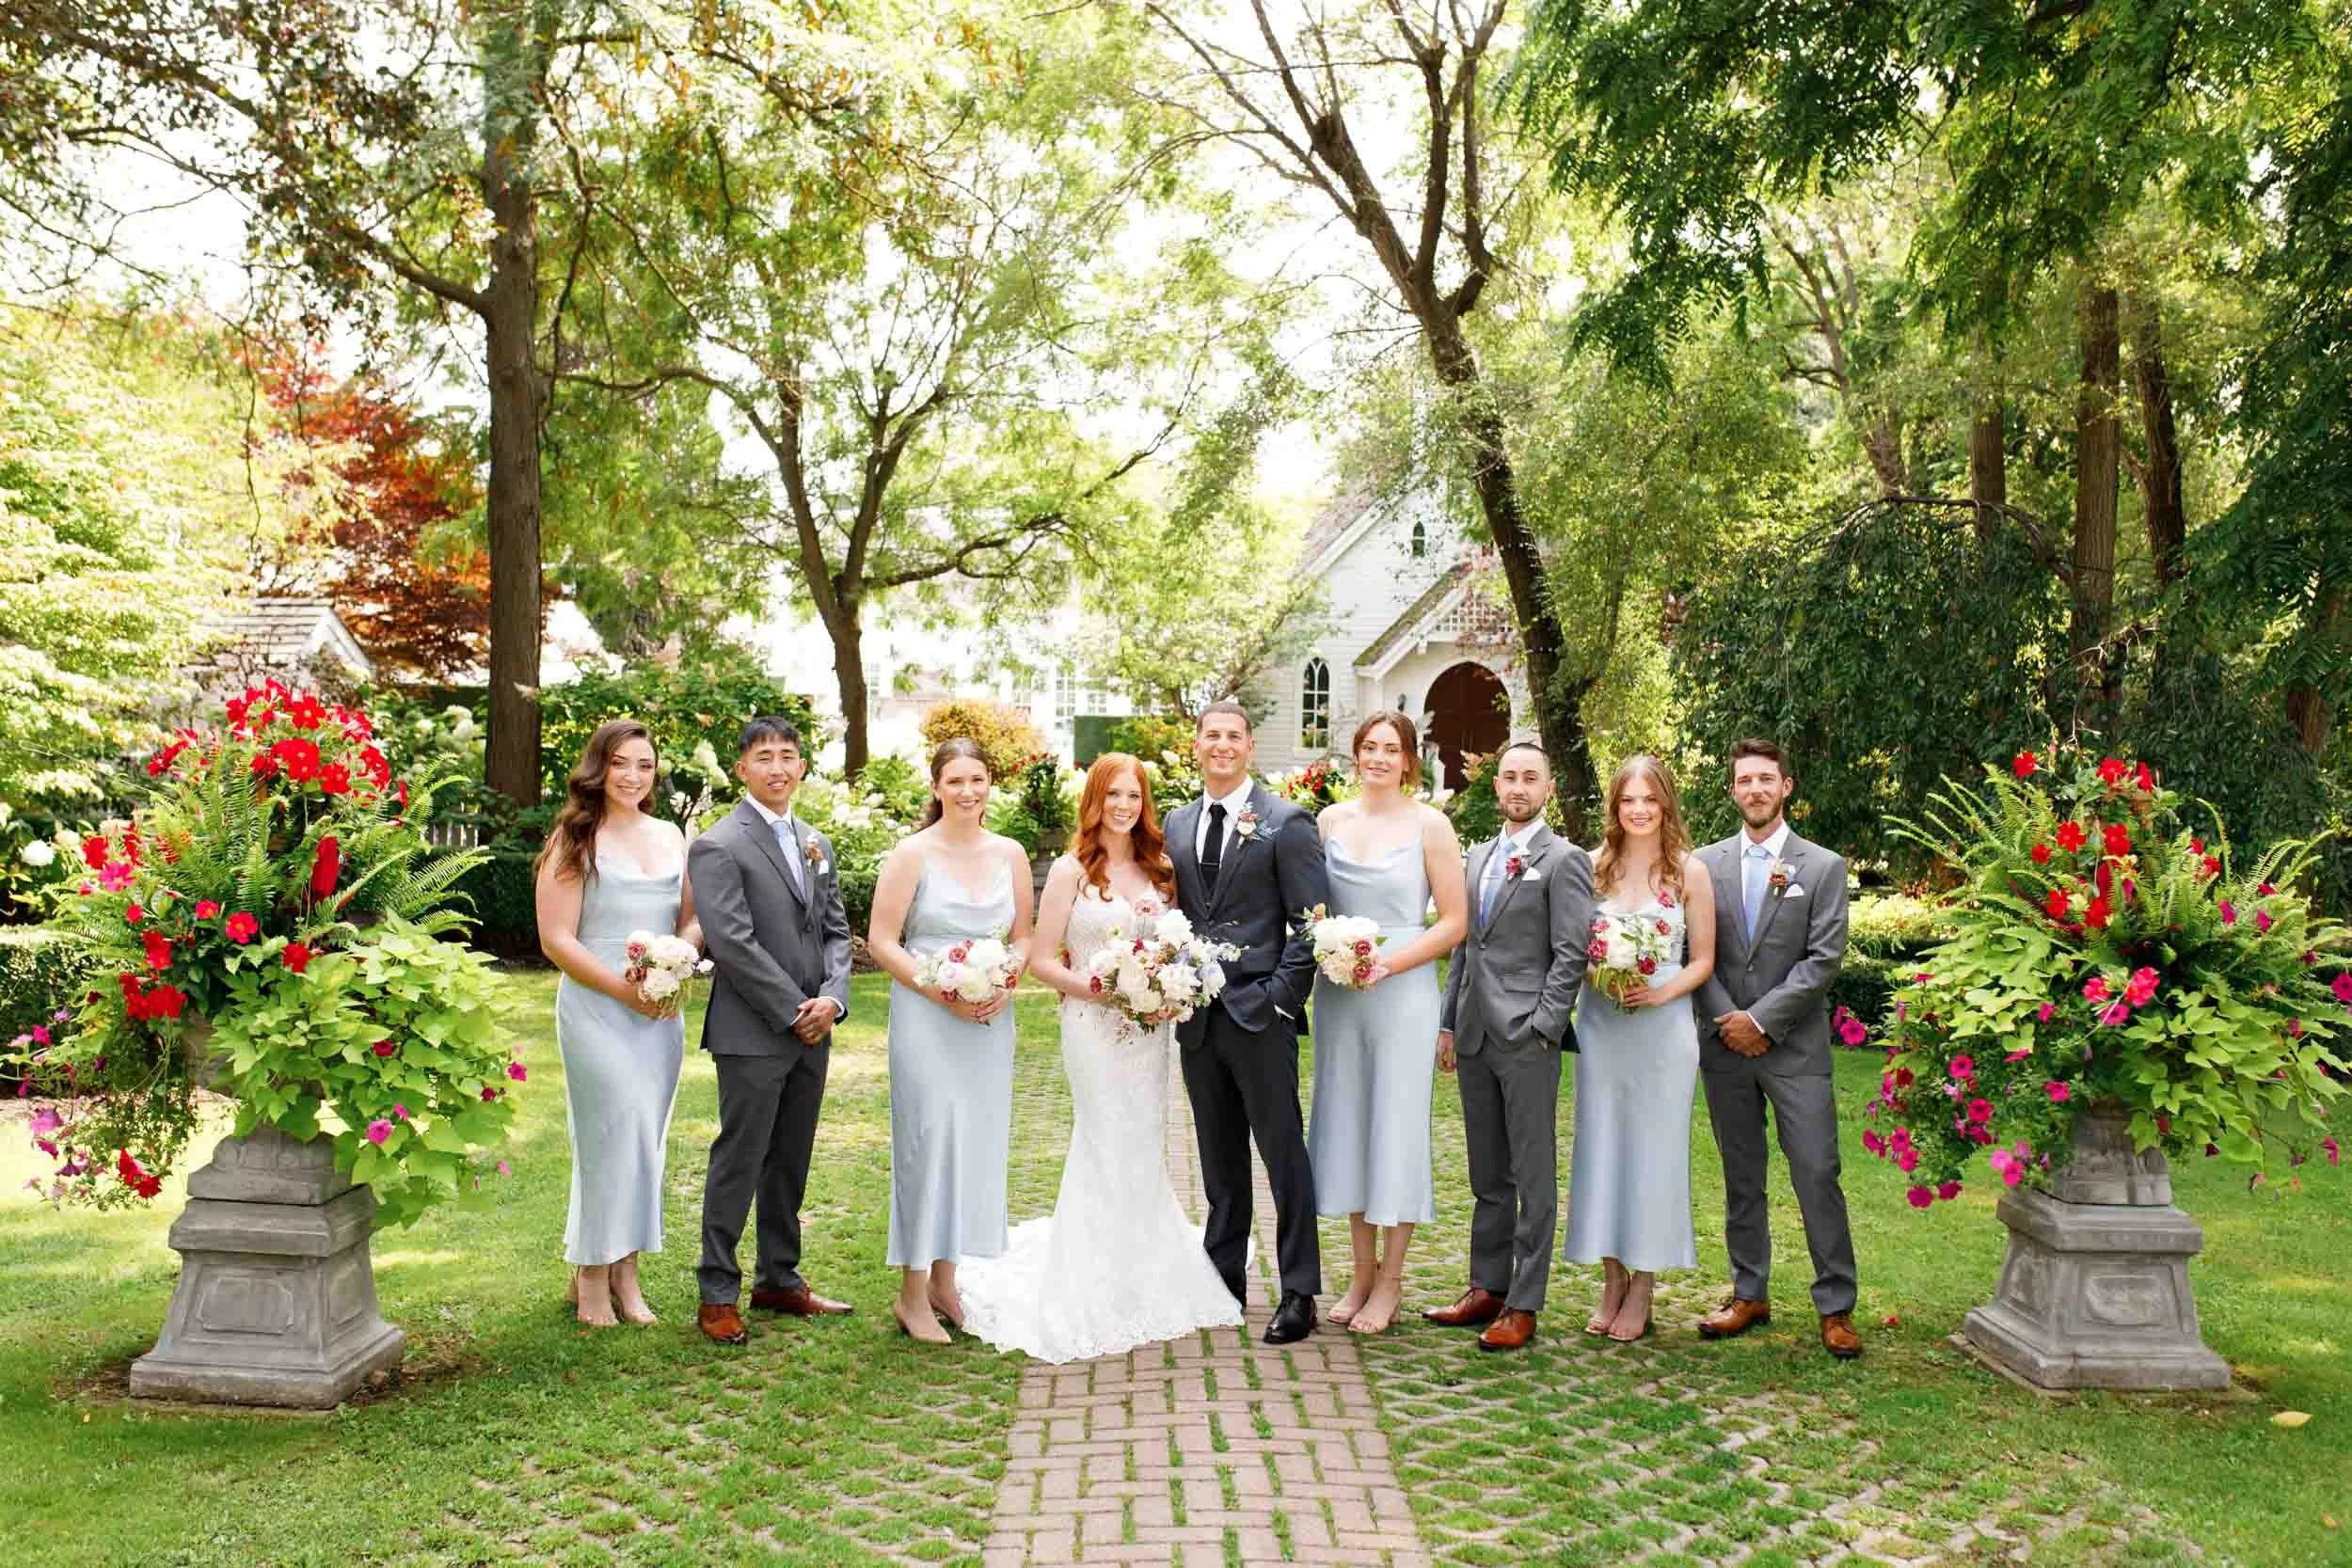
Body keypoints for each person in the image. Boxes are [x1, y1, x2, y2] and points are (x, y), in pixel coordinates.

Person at [957, 754, 1245, 1361]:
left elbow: (1177, 948)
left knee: (1143, 1139)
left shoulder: (1161, 869)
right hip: (1091, 1024)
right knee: (1103, 1136)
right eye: (1113, 794)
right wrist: (1105, 988)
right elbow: (1040, 960)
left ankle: (1141, 1265)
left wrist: (1167, 989)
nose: (1123, 806)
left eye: (1134, 796)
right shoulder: (1071, 871)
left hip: (1147, 1032)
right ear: (1094, 800)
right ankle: (1093, 1276)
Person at [1164, 702, 1330, 1345]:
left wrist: (1282, 997)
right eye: (1213, 735)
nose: (1223, 745)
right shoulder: (1176, 824)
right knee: (1219, 1158)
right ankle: (1223, 1280)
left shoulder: (1286, 822)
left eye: (1234, 736)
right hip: (1198, 1016)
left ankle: (1299, 1290)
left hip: (1261, 1013)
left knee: (1283, 1153)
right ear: (1197, 744)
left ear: (1250, 746)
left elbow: (1313, 920)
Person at [1691, 737, 1862, 1360]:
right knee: (1742, 1174)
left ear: (1786, 786)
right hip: (1724, 1045)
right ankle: (1749, 1290)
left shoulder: (1822, 866)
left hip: (1793, 1048)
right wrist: (1724, 1018)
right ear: (1732, 790)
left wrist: (1761, 1020)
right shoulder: (1702, 865)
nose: (1755, 789)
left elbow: (1824, 959)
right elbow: (1693, 952)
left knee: (1817, 1170)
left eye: (1767, 778)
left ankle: (1836, 1304)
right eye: (1745, 780)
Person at [690, 717, 855, 1347]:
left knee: (790, 1157)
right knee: (742, 1156)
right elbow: (732, 941)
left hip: (815, 1025)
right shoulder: (719, 843)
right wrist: (794, 1008)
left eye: (789, 756)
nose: (778, 767)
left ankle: (779, 1277)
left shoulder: (816, 840)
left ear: (803, 766)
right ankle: (717, 1291)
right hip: (753, 1029)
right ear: (742, 768)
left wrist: (832, 1001)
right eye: (765, 757)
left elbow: (837, 931)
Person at [1430, 739, 1597, 1352]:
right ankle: (1487, 1285)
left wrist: (1546, 1025)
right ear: (1496, 787)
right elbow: (1463, 945)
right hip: (1474, 1030)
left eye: (1531, 777)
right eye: (1509, 777)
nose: (1518, 787)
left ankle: (1524, 1302)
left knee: (1532, 1173)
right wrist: (1448, 1022)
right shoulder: (1477, 855)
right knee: (1487, 1172)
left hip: (1528, 1035)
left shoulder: (1565, 860)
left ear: (1548, 788)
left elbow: (1571, 951)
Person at [866, 737, 1034, 1344]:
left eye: (978, 779)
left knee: (971, 1145)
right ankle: (911, 1293)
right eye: (956, 780)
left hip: (988, 1018)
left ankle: (946, 1280)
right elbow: (881, 940)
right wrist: (940, 989)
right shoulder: (912, 854)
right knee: (927, 1143)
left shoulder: (1011, 853)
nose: (968, 791)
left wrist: (1004, 981)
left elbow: (1022, 936)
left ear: (991, 784)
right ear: (937, 787)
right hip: (926, 1014)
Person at [1307, 712, 1467, 1336]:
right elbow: (1316, 907)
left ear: (1409, 759)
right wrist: (1332, 949)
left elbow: (1454, 922)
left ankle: (1393, 1282)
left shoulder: (1432, 825)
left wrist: (1389, 963)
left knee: (1395, 1125)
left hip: (1401, 989)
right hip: (1342, 991)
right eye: (1369, 746)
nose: (1378, 757)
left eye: (1390, 748)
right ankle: (1361, 1273)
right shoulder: (1330, 821)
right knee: (1349, 1122)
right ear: (1356, 755)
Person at [536, 720, 696, 1328]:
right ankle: (592, 1276)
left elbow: (691, 917)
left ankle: (628, 1274)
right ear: (599, 769)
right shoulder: (575, 839)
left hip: (657, 1010)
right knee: (607, 1139)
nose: (633, 776)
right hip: (598, 1004)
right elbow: (556, 939)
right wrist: (621, 989)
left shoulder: (670, 834)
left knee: (644, 1142)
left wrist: (676, 958)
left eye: (645, 765)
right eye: (622, 763)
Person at [1562, 755, 1717, 1341]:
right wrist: (1594, 975)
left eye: (1650, 799)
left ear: (1667, 804)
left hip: (1663, 1028)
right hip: (1603, 1025)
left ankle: (1644, 1285)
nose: (1640, 809)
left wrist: (1660, 993)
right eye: (1629, 799)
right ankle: (1610, 1276)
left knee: (1654, 1153)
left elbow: (1702, 959)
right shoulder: (1593, 867)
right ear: (1615, 807)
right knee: (1601, 1147)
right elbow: (1571, 948)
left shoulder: (1688, 874)